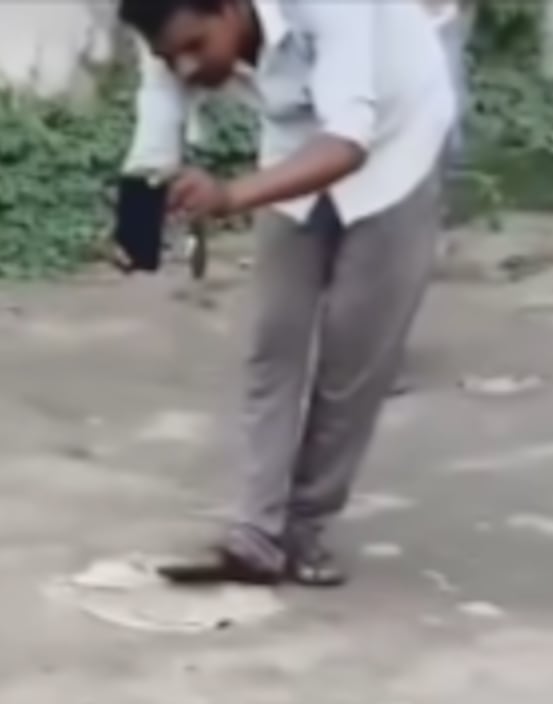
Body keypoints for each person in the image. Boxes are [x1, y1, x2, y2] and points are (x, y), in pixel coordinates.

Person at [120, 0, 456, 586]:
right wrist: (138, 213)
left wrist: (229, 196)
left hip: (395, 147)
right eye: (171, 57)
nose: (187, 69)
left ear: (229, 7)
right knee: (273, 339)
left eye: (197, 46)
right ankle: (256, 534)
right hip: (295, 146)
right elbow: (159, 106)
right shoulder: (172, 26)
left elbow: (348, 143)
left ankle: (307, 527)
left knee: (354, 358)